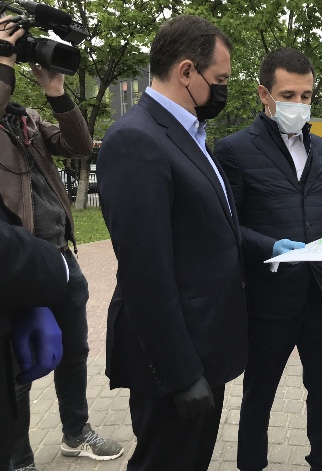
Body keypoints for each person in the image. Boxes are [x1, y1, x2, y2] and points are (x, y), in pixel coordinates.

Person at [214, 47, 322, 471]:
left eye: (306, 96)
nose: (299, 104)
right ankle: (251, 463)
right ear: (264, 94)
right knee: (260, 393)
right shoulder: (234, 149)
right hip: (268, 298)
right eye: (289, 95)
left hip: (321, 294)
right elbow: (226, 225)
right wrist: (268, 247)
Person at [97, 15, 248, 471]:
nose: (223, 90)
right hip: (175, 362)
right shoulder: (136, 140)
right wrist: (181, 373)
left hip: (203, 347)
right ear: (186, 71)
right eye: (220, 79)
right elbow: (145, 274)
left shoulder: (187, 133)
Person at [0, 17, 123, 471]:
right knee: (17, 366)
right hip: (17, 265)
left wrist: (55, 90)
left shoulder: (24, 119)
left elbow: (78, 145)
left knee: (74, 351)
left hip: (61, 257)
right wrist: (4, 61)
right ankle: (18, 458)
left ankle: (76, 432)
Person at [0, 195, 68, 471]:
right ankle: (22, 460)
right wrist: (51, 266)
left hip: (23, 278)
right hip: (30, 265)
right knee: (21, 380)